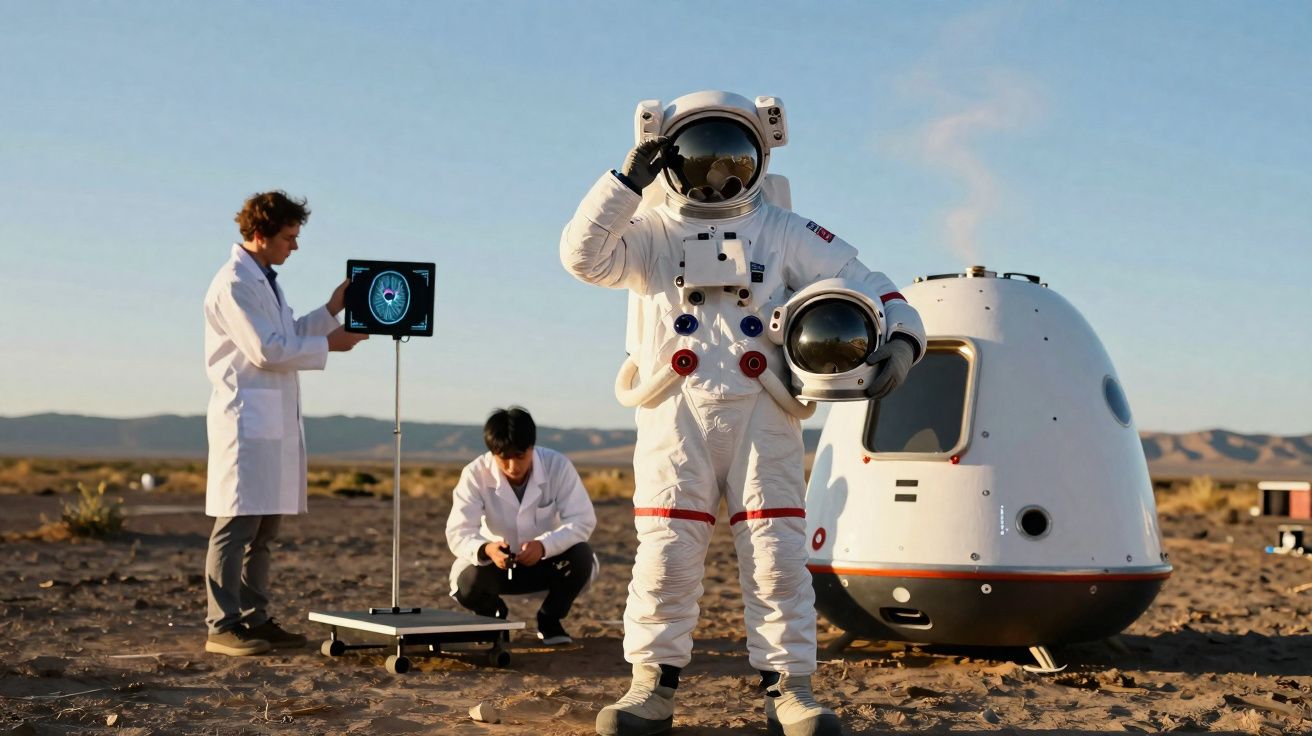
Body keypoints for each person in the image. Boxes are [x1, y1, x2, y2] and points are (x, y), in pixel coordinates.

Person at [560, 91, 926, 736]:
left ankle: (791, 691)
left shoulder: (784, 230)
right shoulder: (646, 231)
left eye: (730, 157)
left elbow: (874, 285)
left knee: (776, 552)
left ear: (758, 156)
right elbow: (581, 257)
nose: (718, 174)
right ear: (670, 157)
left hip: (763, 409)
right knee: (667, 551)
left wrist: (901, 336)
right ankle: (651, 687)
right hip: (673, 409)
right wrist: (623, 185)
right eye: (701, 157)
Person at [202, 190, 367, 656]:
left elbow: (287, 332)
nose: (294, 247)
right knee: (235, 526)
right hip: (245, 423)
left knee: (264, 531)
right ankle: (222, 624)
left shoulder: (264, 281)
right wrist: (330, 345)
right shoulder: (234, 283)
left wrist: (332, 309)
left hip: (269, 423)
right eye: (289, 238)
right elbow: (267, 350)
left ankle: (256, 617)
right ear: (261, 235)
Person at [446, 407, 598, 646]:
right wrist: (487, 550)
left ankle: (550, 620)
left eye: (519, 455)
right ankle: (493, 620)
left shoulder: (557, 466)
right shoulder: (474, 473)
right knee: (467, 583)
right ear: (492, 453)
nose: (512, 466)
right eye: (502, 457)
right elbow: (458, 531)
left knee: (581, 555)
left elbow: (582, 520)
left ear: (532, 448)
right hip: (494, 567)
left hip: (546, 565)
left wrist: (545, 545)